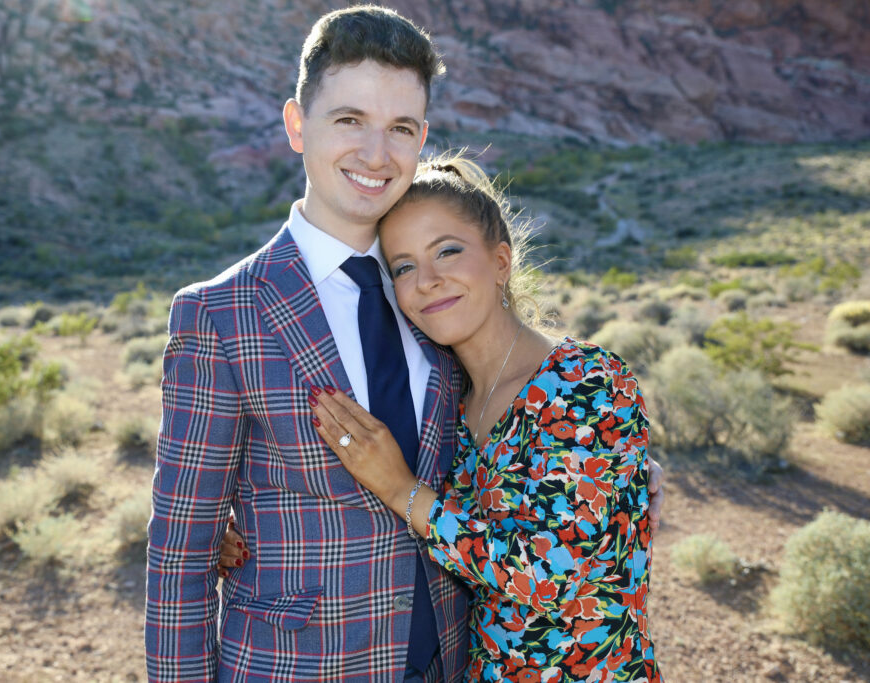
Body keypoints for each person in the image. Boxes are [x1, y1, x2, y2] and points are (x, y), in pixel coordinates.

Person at [222, 155, 664, 681]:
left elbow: (549, 578)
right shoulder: (449, 395)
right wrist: (253, 531)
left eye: (447, 251)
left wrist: (401, 489)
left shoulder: (586, 381)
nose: (428, 280)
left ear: (500, 261)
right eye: (404, 267)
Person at [147, 7, 470, 681]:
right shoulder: (220, 314)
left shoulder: (439, 294)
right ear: (297, 125)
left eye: (400, 128)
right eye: (350, 120)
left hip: (452, 658)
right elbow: (180, 557)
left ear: (421, 139)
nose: (376, 154)